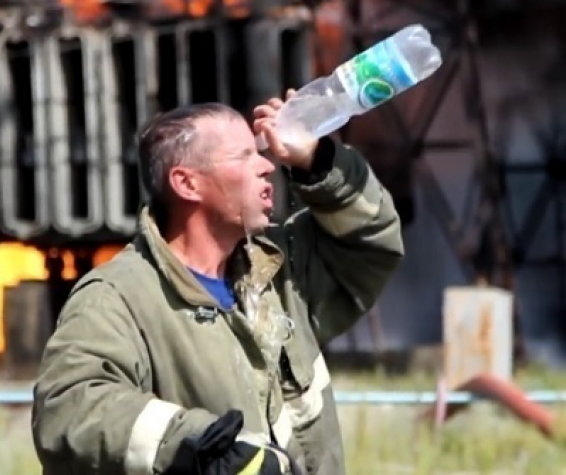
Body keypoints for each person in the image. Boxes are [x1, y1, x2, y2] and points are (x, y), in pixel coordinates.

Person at [31, 96, 404, 475]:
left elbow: (371, 243)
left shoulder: (278, 270)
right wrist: (202, 446)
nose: (266, 165)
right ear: (187, 183)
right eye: (244, 156)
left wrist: (319, 162)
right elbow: (70, 408)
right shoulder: (117, 299)